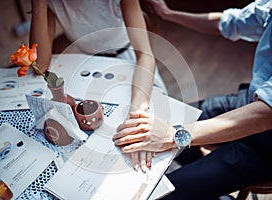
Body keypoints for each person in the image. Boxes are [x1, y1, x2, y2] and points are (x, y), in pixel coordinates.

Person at [113, 0, 272, 199]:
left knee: (162, 194)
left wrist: (174, 134)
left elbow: (265, 115)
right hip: (250, 101)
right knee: (163, 123)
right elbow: (229, 22)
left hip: (267, 139)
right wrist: (169, 13)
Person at [29, 0, 167, 172]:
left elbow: (146, 55)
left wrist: (137, 111)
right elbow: (39, 65)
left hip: (132, 64)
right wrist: (39, 5)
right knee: (103, 146)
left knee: (142, 138)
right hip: (91, 66)